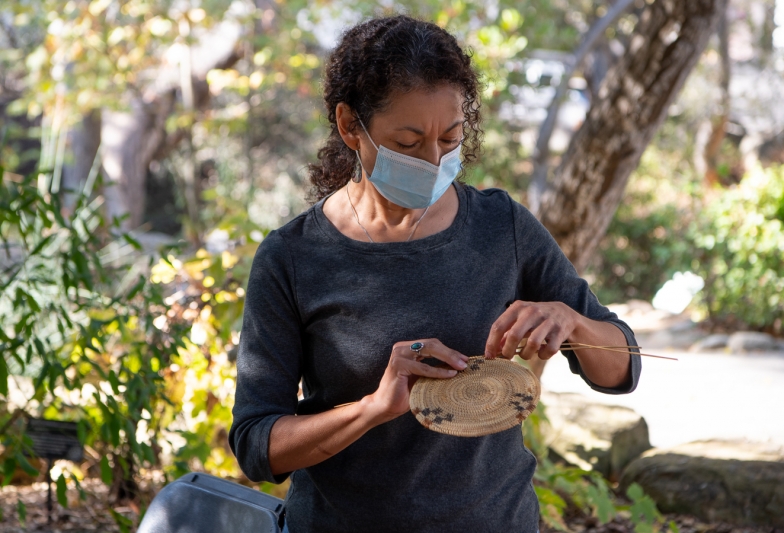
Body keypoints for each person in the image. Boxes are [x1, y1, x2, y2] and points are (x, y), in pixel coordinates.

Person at [229, 15, 641, 533]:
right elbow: (257, 446)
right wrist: (373, 409)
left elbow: (623, 367)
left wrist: (572, 323)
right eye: (407, 143)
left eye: (449, 138)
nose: (433, 159)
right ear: (350, 126)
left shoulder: (501, 226)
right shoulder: (292, 257)